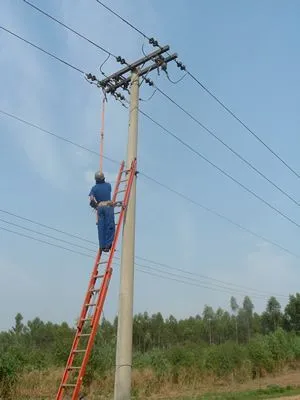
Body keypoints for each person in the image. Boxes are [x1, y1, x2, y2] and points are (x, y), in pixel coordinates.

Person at [89, 171, 115, 253]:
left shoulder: (94, 188)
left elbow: (91, 199)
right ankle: (108, 245)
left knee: (101, 227)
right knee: (109, 225)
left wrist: (96, 206)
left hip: (99, 208)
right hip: (108, 207)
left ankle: (102, 246)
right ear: (103, 178)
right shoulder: (108, 185)